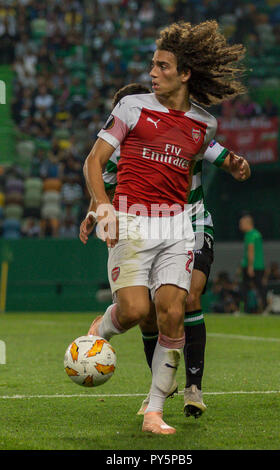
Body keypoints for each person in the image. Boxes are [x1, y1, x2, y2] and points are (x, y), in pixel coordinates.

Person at [82, 20, 246, 435]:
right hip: (132, 221)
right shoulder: (132, 107)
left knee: (174, 311)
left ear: (185, 73)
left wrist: (236, 164)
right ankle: (101, 328)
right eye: (152, 66)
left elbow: (216, 154)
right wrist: (102, 209)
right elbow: (94, 163)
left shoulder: (203, 124)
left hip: (178, 226)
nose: (152, 73)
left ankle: (156, 410)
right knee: (138, 311)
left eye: (162, 66)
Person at [239, 214, 266, 313]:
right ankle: (264, 308)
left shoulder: (251, 235)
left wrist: (250, 266)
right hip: (258, 265)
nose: (240, 226)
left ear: (248, 223)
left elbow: (251, 250)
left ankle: (246, 309)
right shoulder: (256, 234)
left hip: (252, 266)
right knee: (260, 287)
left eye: (241, 223)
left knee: (245, 287)